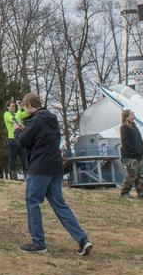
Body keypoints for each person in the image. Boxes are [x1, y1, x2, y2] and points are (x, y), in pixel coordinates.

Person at [16, 92, 92, 256]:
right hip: (56, 167)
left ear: (29, 105)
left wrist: (18, 131)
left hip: (39, 167)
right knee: (59, 204)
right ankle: (82, 239)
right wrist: (26, 129)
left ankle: (38, 243)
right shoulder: (51, 119)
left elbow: (23, 141)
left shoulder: (35, 120)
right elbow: (38, 137)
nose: (25, 110)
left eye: (25, 107)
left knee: (33, 202)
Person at [118, 110, 143, 199]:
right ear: (127, 117)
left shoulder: (135, 127)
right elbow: (125, 141)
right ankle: (124, 193)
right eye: (132, 114)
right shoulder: (124, 127)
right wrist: (132, 151)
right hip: (130, 156)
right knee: (131, 175)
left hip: (138, 156)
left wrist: (141, 150)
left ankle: (142, 194)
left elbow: (138, 140)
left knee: (140, 176)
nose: (134, 115)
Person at [4, 100, 26, 180]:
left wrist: (23, 106)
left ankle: (26, 175)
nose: (14, 107)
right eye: (12, 106)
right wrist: (19, 110)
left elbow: (27, 113)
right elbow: (14, 119)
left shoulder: (17, 113)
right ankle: (12, 175)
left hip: (20, 138)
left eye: (14, 106)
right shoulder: (6, 114)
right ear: (8, 107)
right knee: (13, 157)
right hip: (12, 138)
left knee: (24, 156)